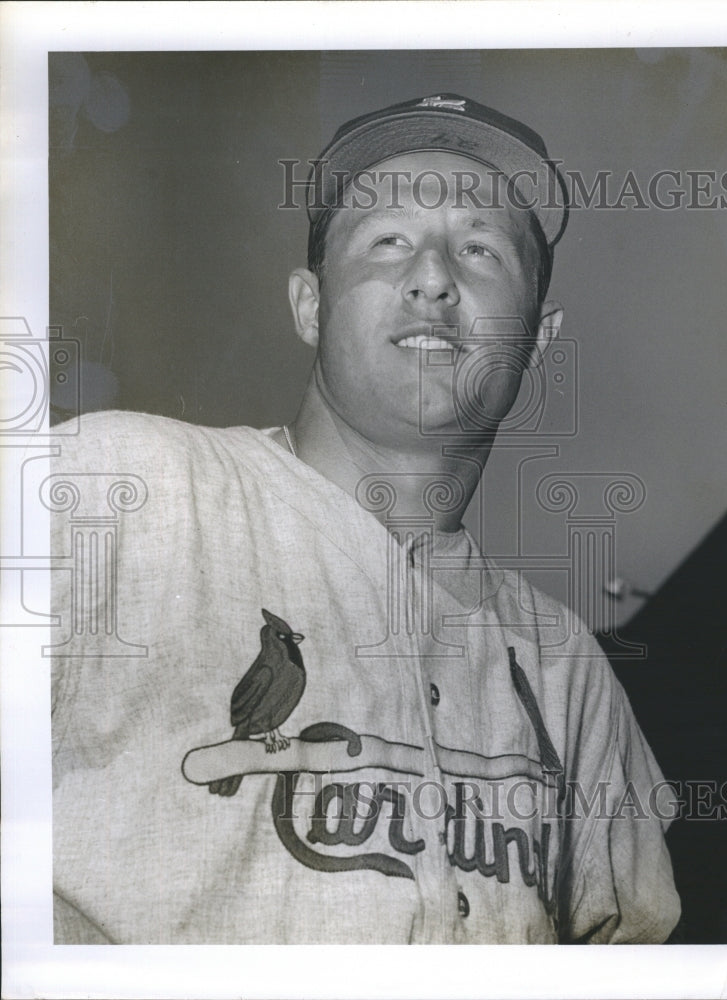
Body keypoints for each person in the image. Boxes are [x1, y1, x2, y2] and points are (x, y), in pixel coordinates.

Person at [49, 94, 681, 944]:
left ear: (537, 337)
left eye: (482, 248)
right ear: (310, 306)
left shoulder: (568, 668)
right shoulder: (117, 484)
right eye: (387, 241)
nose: (433, 276)